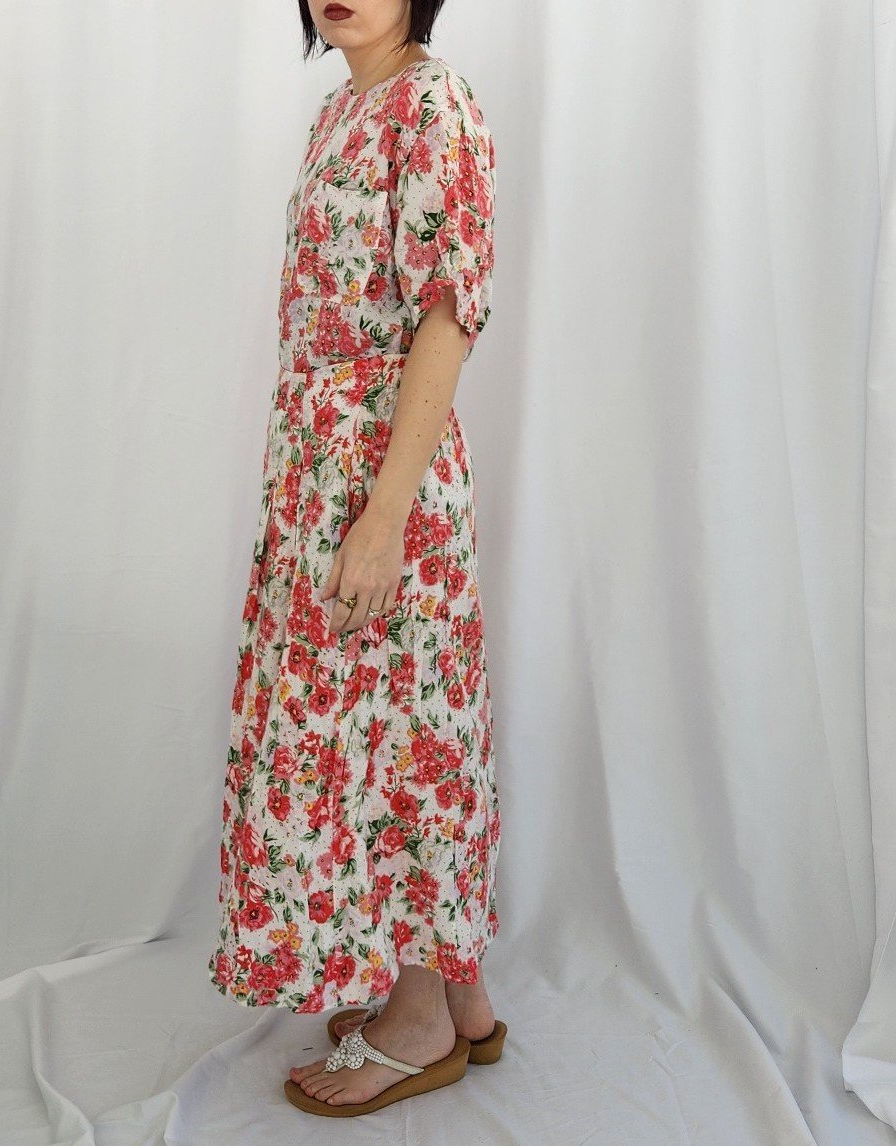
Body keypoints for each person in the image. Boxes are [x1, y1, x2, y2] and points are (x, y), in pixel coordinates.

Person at [207, 0, 504, 1115]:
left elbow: (449, 311)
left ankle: (417, 1017)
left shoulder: (433, 102)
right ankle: (462, 1000)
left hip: (383, 475)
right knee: (396, 719)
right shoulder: (345, 107)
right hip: (322, 467)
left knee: (404, 731)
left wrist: (383, 518)